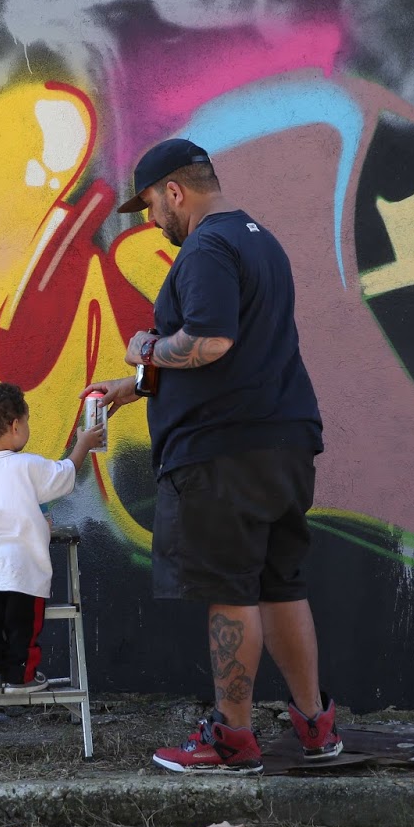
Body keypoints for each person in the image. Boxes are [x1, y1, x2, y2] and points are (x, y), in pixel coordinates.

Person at [82, 137, 341, 775]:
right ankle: (316, 729)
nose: (150, 221)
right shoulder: (260, 240)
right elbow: (238, 350)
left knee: (231, 593)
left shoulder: (205, 249)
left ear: (174, 191)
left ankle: (232, 740)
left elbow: (212, 342)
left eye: (150, 205)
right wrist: (136, 387)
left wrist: (144, 348)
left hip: (223, 452)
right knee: (281, 586)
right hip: (283, 441)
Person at [0, 382, 105, 695]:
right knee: (22, 628)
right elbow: (65, 475)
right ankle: (21, 678)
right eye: (28, 421)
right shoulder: (29, 465)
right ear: (16, 426)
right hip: (22, 569)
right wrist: (83, 445)